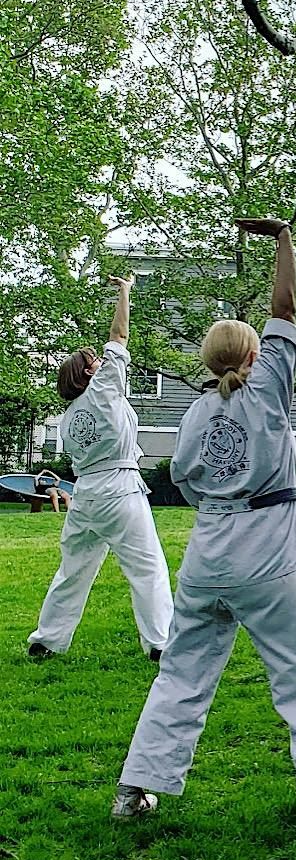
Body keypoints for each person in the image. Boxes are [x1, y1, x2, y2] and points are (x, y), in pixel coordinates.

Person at [112, 218, 296, 828]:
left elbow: (184, 479)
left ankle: (135, 788)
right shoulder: (268, 386)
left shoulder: (194, 412)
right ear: (254, 355)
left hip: (206, 555)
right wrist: (284, 243)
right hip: (265, 555)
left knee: (183, 673)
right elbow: (288, 307)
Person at [27, 277, 173, 660]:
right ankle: (160, 643)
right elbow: (120, 335)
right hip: (120, 489)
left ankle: (47, 640)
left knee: (73, 571)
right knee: (148, 568)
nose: (103, 362)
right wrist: (125, 292)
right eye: (97, 361)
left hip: (86, 494)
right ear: (91, 372)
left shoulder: (68, 416)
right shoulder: (105, 389)